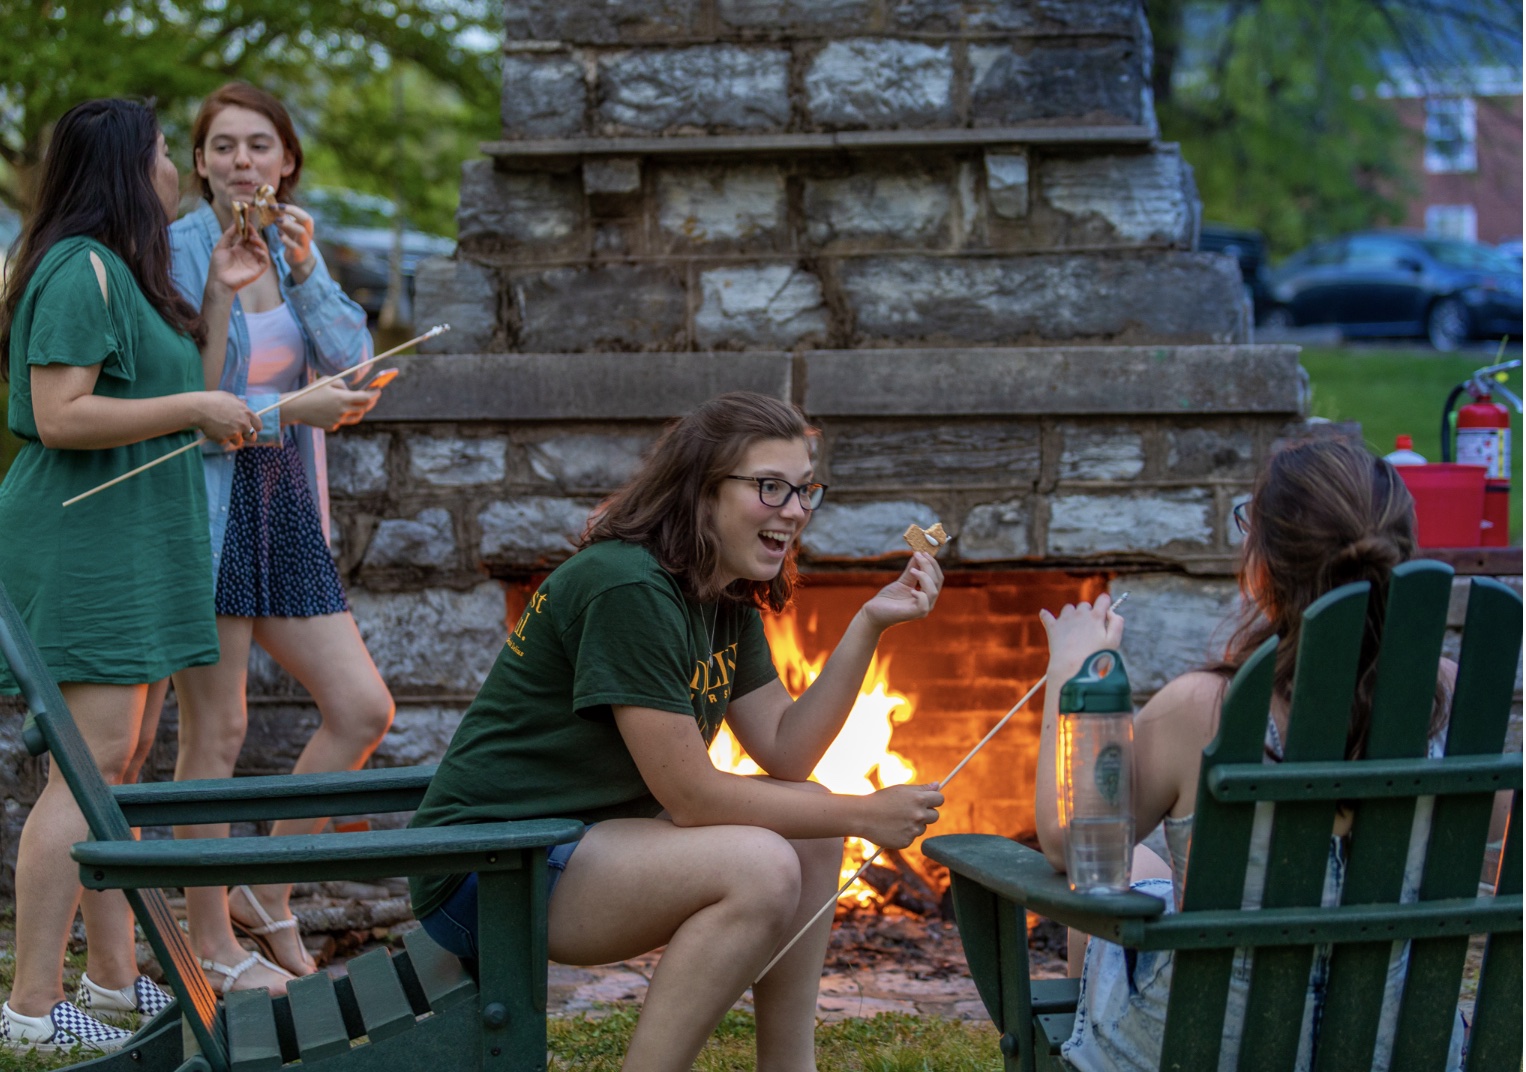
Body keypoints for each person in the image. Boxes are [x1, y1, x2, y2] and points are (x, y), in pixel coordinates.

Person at [409, 391, 947, 1072]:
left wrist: (870, 623)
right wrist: (866, 811)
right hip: (489, 867)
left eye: (805, 489)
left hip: (571, 843)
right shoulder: (627, 587)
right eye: (770, 487)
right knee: (764, 863)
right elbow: (692, 796)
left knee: (811, 840)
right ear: (701, 491)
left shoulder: (719, 595)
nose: (795, 510)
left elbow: (786, 747)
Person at [1035, 436, 1469, 1072]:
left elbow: (1064, 841)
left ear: (1261, 566)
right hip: (1400, 1043)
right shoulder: (1447, 694)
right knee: (1151, 858)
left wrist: (1070, 671)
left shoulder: (1202, 710)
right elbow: (1489, 841)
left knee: (1127, 872)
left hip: (1205, 1048)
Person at [0, 98, 262, 1052]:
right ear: (122, 166)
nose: (172, 169)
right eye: (161, 152)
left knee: (116, 768)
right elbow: (58, 412)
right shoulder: (78, 270)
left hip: (138, 542)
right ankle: (29, 1010)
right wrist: (197, 402)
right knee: (86, 768)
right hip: (85, 545)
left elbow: (164, 389)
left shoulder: (129, 272)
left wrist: (225, 295)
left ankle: (111, 983)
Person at [166, 83, 394, 997]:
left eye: (259, 145)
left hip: (284, 501)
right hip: (210, 505)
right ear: (199, 164)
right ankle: (213, 943)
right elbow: (190, 406)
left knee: (362, 709)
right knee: (216, 729)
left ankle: (266, 888)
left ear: (287, 161)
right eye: (222, 147)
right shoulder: (178, 250)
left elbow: (357, 366)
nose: (242, 163)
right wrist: (290, 408)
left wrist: (306, 271)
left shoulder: (297, 249)